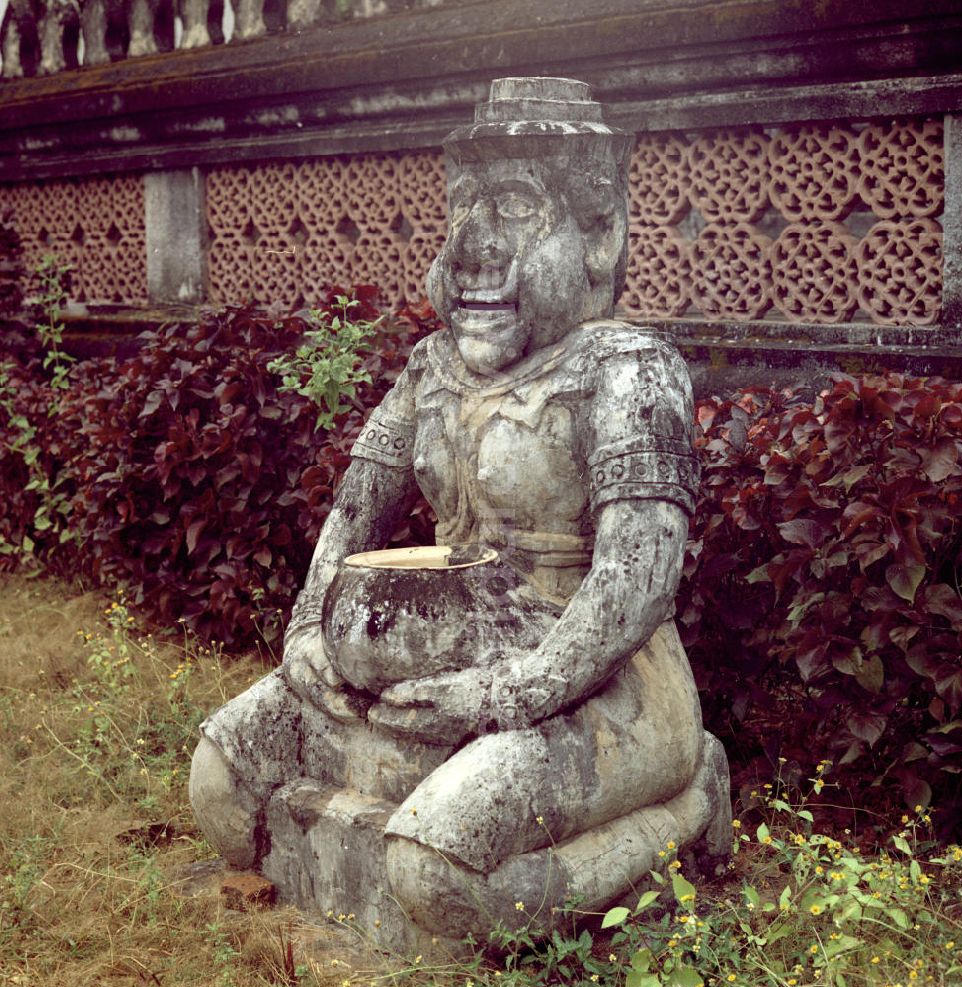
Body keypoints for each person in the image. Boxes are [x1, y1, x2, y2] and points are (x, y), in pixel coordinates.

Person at [189, 76, 730, 943]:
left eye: (515, 207)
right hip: (447, 665)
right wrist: (304, 636)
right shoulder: (431, 367)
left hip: (601, 687)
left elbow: (640, 583)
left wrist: (509, 695)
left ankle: (688, 804)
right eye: (463, 207)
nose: (471, 247)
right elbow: (354, 514)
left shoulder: (627, 371)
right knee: (220, 788)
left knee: (435, 877)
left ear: (601, 234)